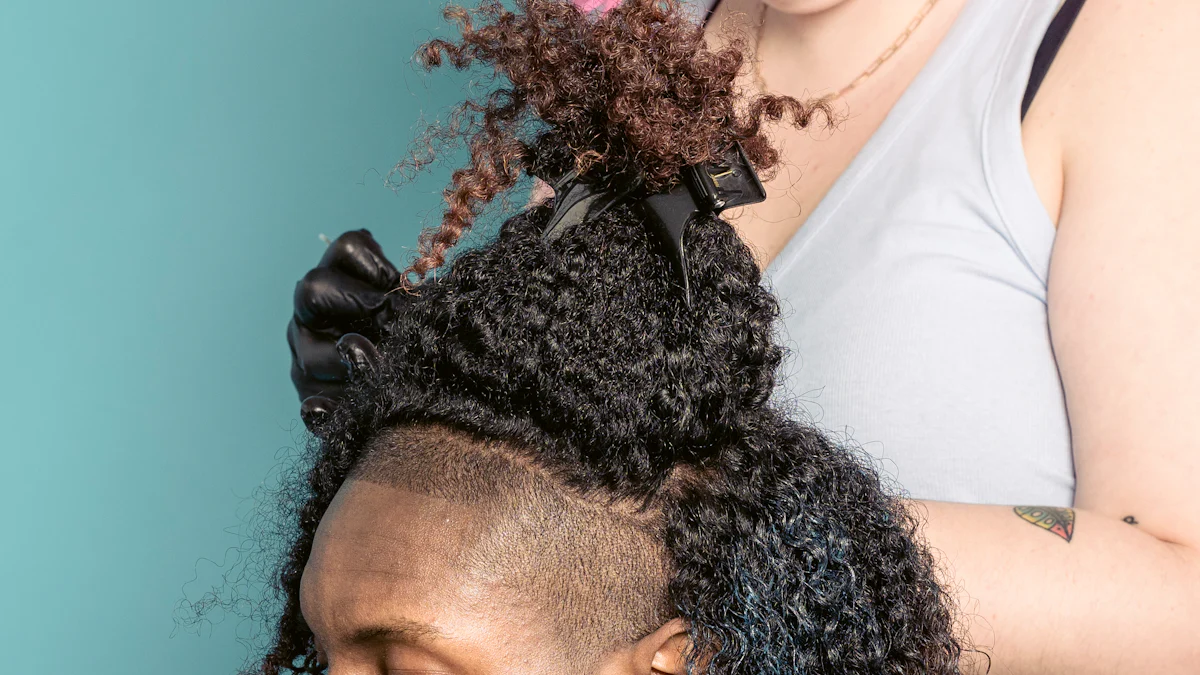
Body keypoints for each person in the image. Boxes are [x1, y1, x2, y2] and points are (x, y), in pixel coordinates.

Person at [289, 0, 1200, 672]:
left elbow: (1183, 592)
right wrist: (426, 414)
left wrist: (733, 533)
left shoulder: (1127, 41)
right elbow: (560, 497)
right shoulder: (653, 51)